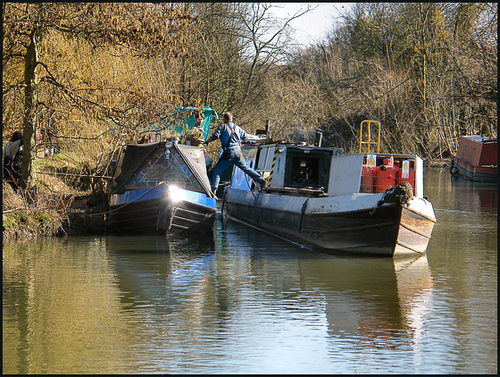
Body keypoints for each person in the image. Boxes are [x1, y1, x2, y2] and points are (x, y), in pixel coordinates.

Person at [204, 112, 268, 195]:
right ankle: (261, 180)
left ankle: (213, 191)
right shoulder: (237, 128)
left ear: (224, 119)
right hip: (238, 153)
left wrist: (208, 141)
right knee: (246, 168)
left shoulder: (222, 126)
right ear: (231, 119)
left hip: (228, 153)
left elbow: (216, 135)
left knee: (217, 171)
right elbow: (245, 137)